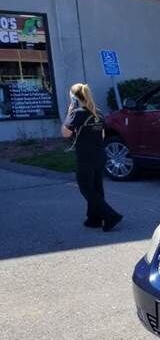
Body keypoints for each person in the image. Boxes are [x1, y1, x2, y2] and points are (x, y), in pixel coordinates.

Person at [61, 83, 123, 231]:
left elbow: (65, 133)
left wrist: (69, 113)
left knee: (86, 188)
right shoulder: (98, 113)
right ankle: (93, 218)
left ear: (74, 98)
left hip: (86, 157)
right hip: (100, 154)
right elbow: (102, 134)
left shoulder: (77, 113)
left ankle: (110, 215)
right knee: (96, 187)